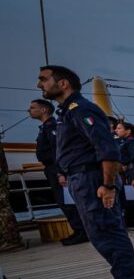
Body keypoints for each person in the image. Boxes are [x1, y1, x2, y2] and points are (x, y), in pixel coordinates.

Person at [37, 65, 134, 279]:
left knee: (107, 231)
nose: (39, 84)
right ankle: (122, 278)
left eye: (43, 79)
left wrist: (108, 185)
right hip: (81, 178)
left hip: (92, 179)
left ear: (63, 83)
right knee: (98, 232)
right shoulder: (67, 112)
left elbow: (107, 148)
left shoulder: (81, 109)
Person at [28, 98, 88, 245]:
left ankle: (82, 231)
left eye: (32, 107)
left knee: (67, 202)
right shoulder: (46, 127)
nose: (29, 110)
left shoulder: (52, 127)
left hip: (56, 169)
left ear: (43, 110)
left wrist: (61, 172)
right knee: (63, 202)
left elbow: (58, 151)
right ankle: (79, 229)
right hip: (52, 169)